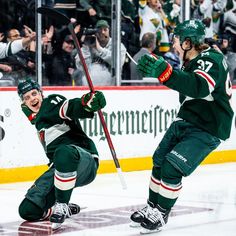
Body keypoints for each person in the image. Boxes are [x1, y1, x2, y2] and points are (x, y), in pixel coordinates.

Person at [130, 19, 234, 234]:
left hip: (207, 126)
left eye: (176, 40)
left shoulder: (210, 59)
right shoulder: (194, 61)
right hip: (187, 119)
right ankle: (151, 207)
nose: (173, 45)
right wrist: (167, 72)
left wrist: (166, 73)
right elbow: (189, 89)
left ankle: (160, 213)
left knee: (172, 166)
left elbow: (199, 86)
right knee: (159, 161)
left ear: (188, 43)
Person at [17, 78, 106, 230]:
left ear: (41, 93)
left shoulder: (50, 102)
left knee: (63, 152)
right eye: (27, 97)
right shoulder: (39, 119)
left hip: (83, 160)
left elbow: (68, 108)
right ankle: (62, 208)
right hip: (60, 168)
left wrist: (86, 103)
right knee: (27, 210)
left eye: (34, 93)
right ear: (24, 103)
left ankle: (62, 204)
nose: (32, 99)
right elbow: (39, 117)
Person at [75, 19, 127, 86]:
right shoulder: (90, 44)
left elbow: (118, 63)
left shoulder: (117, 46)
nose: (102, 32)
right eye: (99, 30)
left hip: (111, 88)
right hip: (91, 87)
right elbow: (80, 66)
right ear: (95, 32)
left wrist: (99, 49)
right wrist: (85, 46)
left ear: (109, 31)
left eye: (105, 30)